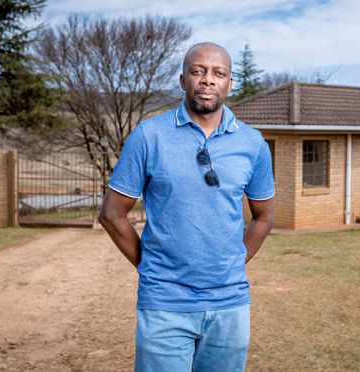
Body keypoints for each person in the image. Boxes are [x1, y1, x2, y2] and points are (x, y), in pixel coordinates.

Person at [98, 41, 275, 372]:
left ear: (229, 84)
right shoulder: (149, 136)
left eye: (218, 73)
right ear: (183, 80)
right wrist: (150, 266)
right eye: (198, 71)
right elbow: (111, 214)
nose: (208, 80)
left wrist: (235, 263)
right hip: (165, 305)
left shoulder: (253, 144)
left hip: (230, 307)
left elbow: (264, 217)